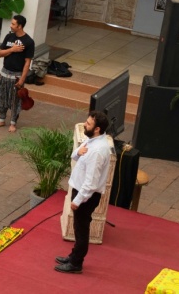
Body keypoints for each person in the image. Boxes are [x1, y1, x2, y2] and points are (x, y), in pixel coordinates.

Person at [55, 111, 112, 274]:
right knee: (78, 226)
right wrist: (78, 153)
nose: (85, 125)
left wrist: (77, 201)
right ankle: (73, 256)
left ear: (97, 129)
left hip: (86, 196)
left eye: (88, 124)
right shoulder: (91, 140)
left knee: (81, 229)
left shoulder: (97, 151)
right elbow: (75, 155)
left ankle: (76, 263)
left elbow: (91, 182)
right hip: (81, 191)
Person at [0, 15, 34, 133]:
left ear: (19, 26)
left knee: (15, 100)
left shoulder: (29, 42)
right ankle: (1, 120)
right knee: (1, 97)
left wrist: (22, 79)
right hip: (4, 73)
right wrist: (12, 49)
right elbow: (0, 53)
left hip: (17, 76)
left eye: (13, 24)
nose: (11, 26)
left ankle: (13, 123)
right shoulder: (9, 37)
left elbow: (27, 63)